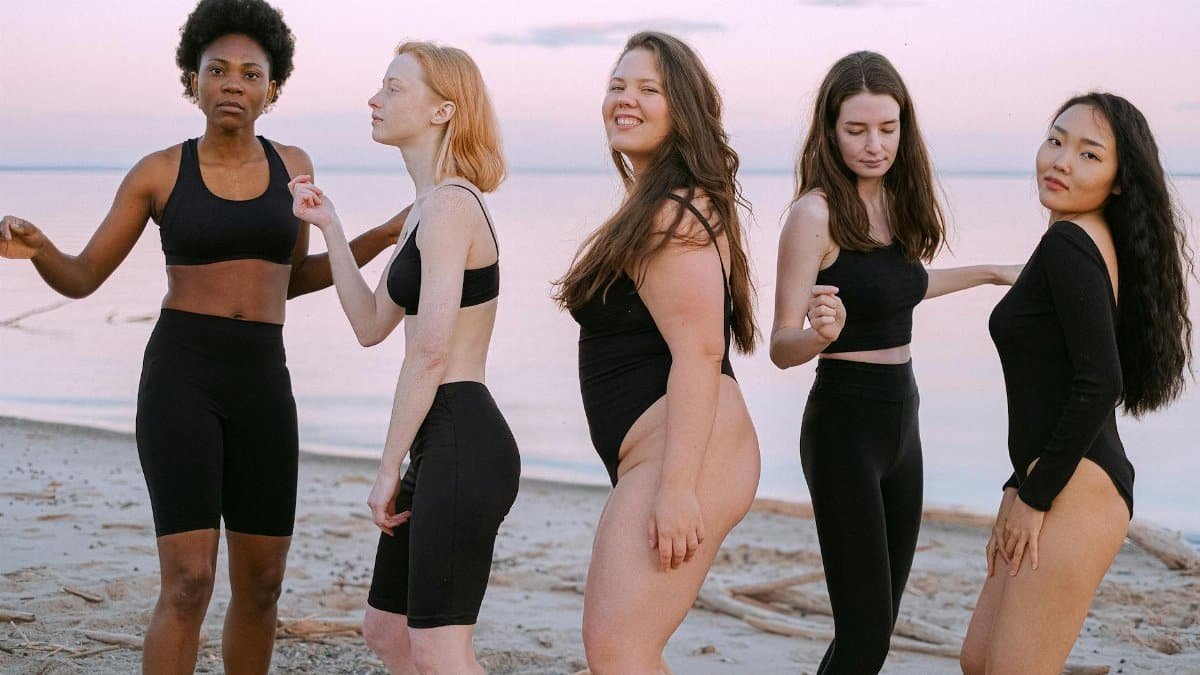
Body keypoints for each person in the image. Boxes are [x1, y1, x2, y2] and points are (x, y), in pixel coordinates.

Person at [0, 1, 406, 671]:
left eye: (251, 73)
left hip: (262, 382)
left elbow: (293, 276)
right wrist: (41, 247)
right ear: (193, 80)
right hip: (182, 378)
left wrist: (382, 234)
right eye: (217, 70)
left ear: (273, 90)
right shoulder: (159, 172)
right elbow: (82, 277)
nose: (233, 85)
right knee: (188, 582)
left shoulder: (294, 164)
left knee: (263, 585)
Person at [769, 51, 1020, 674]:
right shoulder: (814, 215)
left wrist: (990, 273)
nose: (874, 145)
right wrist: (821, 336)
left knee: (876, 625)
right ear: (830, 131)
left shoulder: (898, 206)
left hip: (903, 421)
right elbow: (779, 344)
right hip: (844, 426)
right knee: (865, 637)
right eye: (856, 130)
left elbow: (901, 288)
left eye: (887, 128)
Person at [287, 40, 519, 675]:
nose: (375, 98)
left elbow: (432, 352)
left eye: (394, 88)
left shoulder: (452, 206)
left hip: (463, 438)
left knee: (440, 650)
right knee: (388, 632)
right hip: (439, 439)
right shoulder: (424, 210)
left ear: (443, 111)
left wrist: (388, 466)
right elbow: (370, 325)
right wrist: (332, 228)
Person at [961, 92, 1193, 675]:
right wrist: (1019, 487)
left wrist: (1034, 498)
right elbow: (1061, 384)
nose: (1061, 161)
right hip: (1050, 478)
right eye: (1056, 140)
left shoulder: (1072, 243)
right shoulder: (1076, 240)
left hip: (1075, 490)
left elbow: (1098, 383)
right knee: (978, 660)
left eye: (1089, 154)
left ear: (1118, 180)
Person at [553, 31, 761, 674]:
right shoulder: (653, 204)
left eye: (648, 89)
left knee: (619, 651)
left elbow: (700, 354)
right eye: (617, 85)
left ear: (683, 110)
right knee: (623, 652)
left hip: (687, 456)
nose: (625, 100)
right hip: (667, 453)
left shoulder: (675, 212)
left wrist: (677, 488)